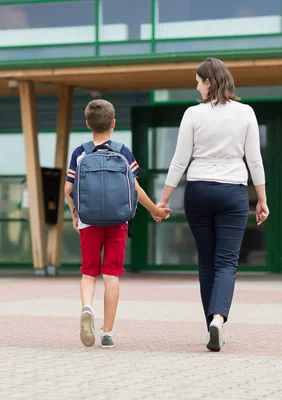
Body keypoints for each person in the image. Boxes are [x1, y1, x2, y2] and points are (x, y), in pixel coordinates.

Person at [153, 58, 269, 352]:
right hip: (233, 192)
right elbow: (254, 160)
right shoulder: (245, 113)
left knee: (207, 261)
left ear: (209, 82)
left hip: (199, 191)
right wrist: (262, 199)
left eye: (197, 81)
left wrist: (164, 200)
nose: (196, 86)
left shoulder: (193, 114)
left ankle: (210, 327)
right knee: (226, 262)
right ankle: (218, 318)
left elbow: (180, 160)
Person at [64, 99, 171, 349]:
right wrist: (156, 209)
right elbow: (135, 187)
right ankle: (108, 333)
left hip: (88, 220)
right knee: (111, 276)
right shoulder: (123, 151)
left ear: (88, 123)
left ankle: (87, 308)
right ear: (113, 124)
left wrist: (74, 213)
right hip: (118, 222)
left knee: (89, 272)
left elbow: (69, 188)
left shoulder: (80, 152)